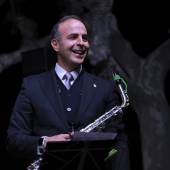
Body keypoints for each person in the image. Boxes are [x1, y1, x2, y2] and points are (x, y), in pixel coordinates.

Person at [6, 15, 131, 170]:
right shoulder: (32, 85)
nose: (81, 43)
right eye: (73, 37)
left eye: (85, 38)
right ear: (55, 44)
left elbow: (119, 141)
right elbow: (14, 139)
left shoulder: (105, 88)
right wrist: (45, 142)